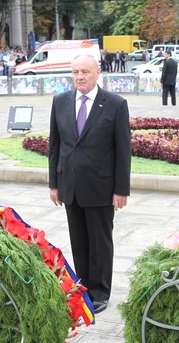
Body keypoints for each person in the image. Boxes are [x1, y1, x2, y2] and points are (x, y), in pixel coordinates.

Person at [48, 54, 131, 314]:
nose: (79, 77)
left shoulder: (115, 104)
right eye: (75, 72)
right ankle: (82, 286)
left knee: (100, 242)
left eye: (85, 71)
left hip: (101, 187)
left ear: (97, 73)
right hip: (70, 186)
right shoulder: (60, 102)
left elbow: (123, 150)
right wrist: (54, 183)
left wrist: (121, 189)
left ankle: (100, 292)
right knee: (79, 241)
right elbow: (55, 146)